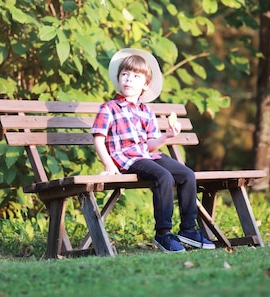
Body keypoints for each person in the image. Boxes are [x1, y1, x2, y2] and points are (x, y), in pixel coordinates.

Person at [91, 48, 215, 253]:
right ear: (119, 78)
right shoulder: (109, 108)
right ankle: (163, 233)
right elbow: (98, 138)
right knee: (163, 177)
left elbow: (149, 145)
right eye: (125, 75)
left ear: (145, 85)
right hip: (126, 160)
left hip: (147, 155)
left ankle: (188, 229)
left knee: (187, 175)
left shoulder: (145, 111)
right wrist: (108, 164)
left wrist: (167, 136)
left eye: (135, 76)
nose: (129, 80)